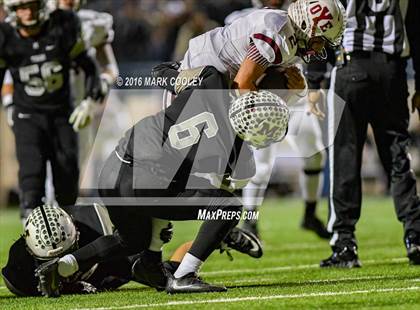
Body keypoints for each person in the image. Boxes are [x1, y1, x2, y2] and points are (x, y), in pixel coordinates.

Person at [97, 65, 288, 294]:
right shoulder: (240, 158)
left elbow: (159, 71)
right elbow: (217, 198)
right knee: (227, 208)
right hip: (153, 184)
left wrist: (177, 79)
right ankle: (184, 273)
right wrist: (223, 231)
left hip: (128, 167)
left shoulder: (212, 82)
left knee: (135, 240)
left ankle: (75, 264)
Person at [320, 0, 420, 268]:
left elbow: (320, 16)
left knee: (344, 157)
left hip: (351, 65)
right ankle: (415, 234)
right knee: (398, 155)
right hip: (392, 71)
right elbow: (415, 25)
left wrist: (315, 75)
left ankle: (344, 243)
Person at [1, 204, 262, 297]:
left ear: (76, 235)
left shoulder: (92, 222)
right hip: (89, 268)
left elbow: (123, 240)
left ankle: (216, 237)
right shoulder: (19, 274)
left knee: (165, 276)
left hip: (104, 261)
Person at [0, 0, 102, 221]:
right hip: (27, 115)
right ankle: (32, 240)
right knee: (31, 179)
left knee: (67, 180)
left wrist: (90, 101)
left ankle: (68, 233)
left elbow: (89, 65)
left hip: (61, 114)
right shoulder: (5, 36)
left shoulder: (62, 25)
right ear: (12, 10)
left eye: (31, 5)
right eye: (20, 7)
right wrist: (8, 104)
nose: (26, 12)